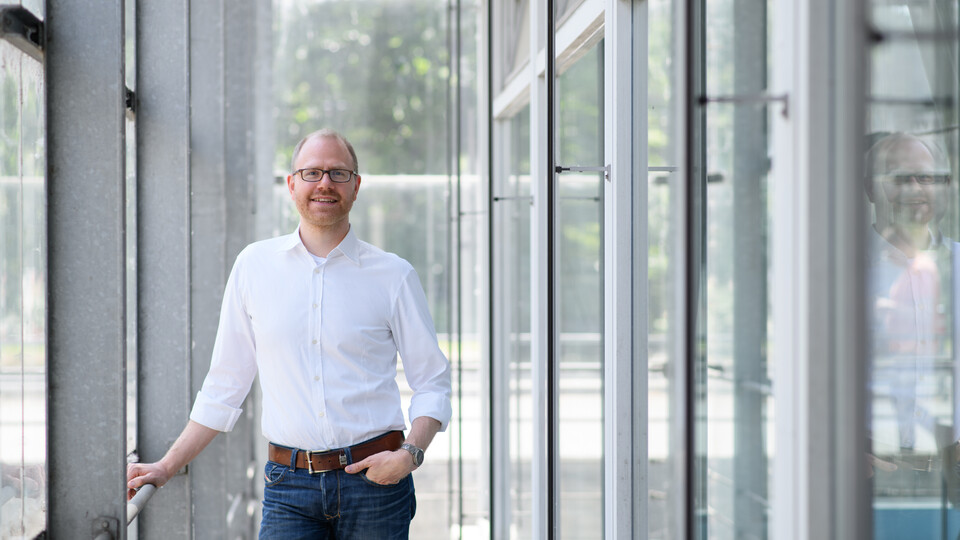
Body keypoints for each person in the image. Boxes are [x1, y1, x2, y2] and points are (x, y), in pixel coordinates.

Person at [127, 128, 452, 539]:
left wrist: (410, 455)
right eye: (312, 172)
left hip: (377, 484)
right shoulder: (253, 267)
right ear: (292, 184)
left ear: (356, 186)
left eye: (338, 173)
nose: (325, 184)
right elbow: (225, 386)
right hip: (289, 487)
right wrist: (165, 466)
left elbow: (433, 383)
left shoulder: (393, 275)